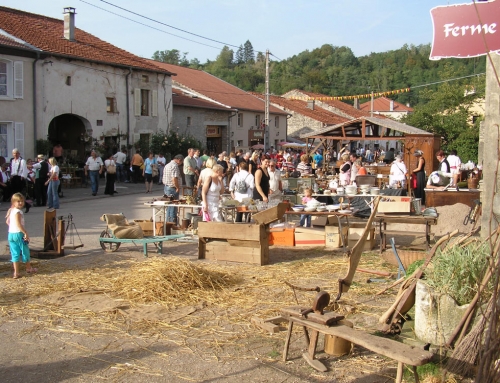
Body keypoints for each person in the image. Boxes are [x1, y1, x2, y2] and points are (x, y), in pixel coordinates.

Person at [6, 193, 36, 279]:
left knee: (15, 253)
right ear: (14, 202)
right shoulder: (18, 212)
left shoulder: (11, 210)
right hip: (18, 234)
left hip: (11, 234)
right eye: (18, 201)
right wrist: (25, 232)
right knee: (25, 250)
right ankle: (28, 268)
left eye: (22, 201)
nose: (20, 203)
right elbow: (18, 224)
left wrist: (12, 228)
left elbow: (7, 222)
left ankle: (16, 272)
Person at [163, 154, 184, 225]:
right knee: (173, 207)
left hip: (167, 187)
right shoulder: (174, 166)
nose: (181, 164)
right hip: (172, 188)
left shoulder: (167, 165)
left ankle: (167, 224)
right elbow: (174, 178)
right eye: (181, 162)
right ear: (179, 160)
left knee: (169, 207)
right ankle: (172, 225)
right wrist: (177, 187)